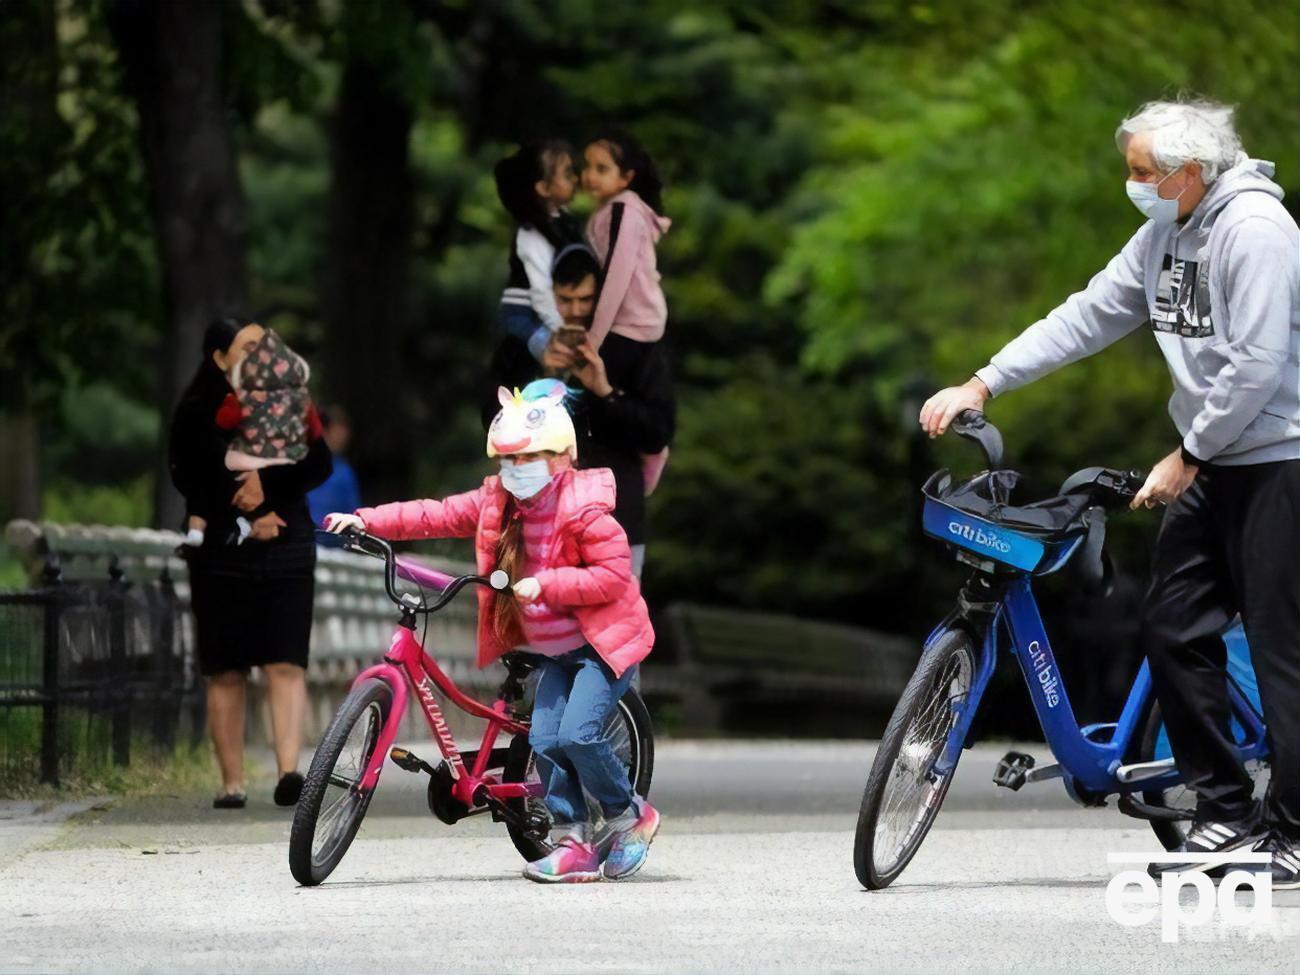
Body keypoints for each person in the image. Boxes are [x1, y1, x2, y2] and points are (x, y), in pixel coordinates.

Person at [920, 98, 1299, 888]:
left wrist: (1190, 452)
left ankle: (1293, 832)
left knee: (1280, 645)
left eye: (1141, 173)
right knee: (1172, 627)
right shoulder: (1168, 229)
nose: (1131, 185)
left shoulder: (1256, 230)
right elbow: (1090, 312)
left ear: (1189, 172)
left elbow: (1258, 362)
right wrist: (984, 380)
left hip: (1280, 460)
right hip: (1217, 461)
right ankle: (1225, 813)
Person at [326, 378, 661, 883]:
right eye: (507, 461)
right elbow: (434, 515)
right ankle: (572, 841)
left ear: (562, 457)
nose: (516, 471)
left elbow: (613, 576)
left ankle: (629, 815)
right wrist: (364, 520)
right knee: (545, 742)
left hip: (601, 647)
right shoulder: (497, 503)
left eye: (528, 459)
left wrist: (547, 583)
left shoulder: (586, 510)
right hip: (554, 653)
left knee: (577, 733)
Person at [169, 317, 333, 810]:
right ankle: (231, 781)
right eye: (247, 347)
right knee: (226, 667)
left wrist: (271, 492)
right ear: (220, 358)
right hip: (222, 547)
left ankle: (288, 771)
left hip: (287, 541)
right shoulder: (198, 408)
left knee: (285, 660)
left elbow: (317, 462)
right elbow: (188, 469)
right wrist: (248, 502)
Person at [482, 244, 675, 577]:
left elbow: (656, 433)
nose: (575, 312)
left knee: (613, 627)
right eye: (565, 300)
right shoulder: (521, 349)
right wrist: (542, 377)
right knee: (540, 626)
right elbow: (492, 421)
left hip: (614, 521)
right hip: (536, 524)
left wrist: (605, 391)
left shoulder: (632, 348)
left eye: (585, 300)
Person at [583, 128, 673, 493]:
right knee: (606, 404)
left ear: (626, 177)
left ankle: (650, 452)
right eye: (588, 166)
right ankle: (646, 454)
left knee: (601, 404)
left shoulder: (624, 210)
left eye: (602, 169)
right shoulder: (615, 210)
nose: (590, 175)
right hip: (628, 323)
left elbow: (616, 278)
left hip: (627, 325)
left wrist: (593, 339)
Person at [494, 140, 584, 361]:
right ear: (543, 188)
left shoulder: (564, 222)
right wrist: (560, 328)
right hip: (525, 315)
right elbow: (541, 290)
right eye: (566, 174)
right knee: (557, 358)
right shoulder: (532, 233)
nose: (575, 179)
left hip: (545, 311)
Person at [307, 405, 362, 539]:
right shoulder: (304, 464)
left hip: (333, 547)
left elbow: (354, 514)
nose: (343, 438)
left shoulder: (345, 472)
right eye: (338, 431)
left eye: (345, 432)